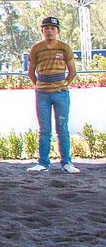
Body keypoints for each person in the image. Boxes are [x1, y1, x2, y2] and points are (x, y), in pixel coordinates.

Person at [26, 16, 78, 173]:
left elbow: (72, 71)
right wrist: (40, 85)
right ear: (42, 31)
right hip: (42, 94)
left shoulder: (65, 48)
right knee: (44, 129)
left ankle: (66, 162)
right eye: (46, 28)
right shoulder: (36, 48)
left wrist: (62, 85)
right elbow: (30, 72)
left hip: (61, 94)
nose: (49, 31)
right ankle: (43, 163)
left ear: (57, 31)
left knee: (62, 127)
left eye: (52, 28)